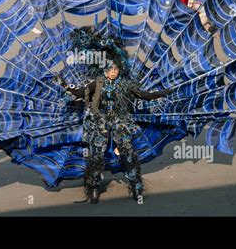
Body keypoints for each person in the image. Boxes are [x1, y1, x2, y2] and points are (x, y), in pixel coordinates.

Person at [59, 58, 170, 204]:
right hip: (99, 122)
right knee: (96, 156)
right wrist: (66, 86)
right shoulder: (97, 83)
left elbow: (144, 95)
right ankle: (93, 188)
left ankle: (136, 186)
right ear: (105, 70)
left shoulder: (125, 85)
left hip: (120, 122)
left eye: (115, 70)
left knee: (128, 153)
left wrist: (164, 92)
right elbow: (80, 94)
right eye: (110, 70)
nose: (113, 72)